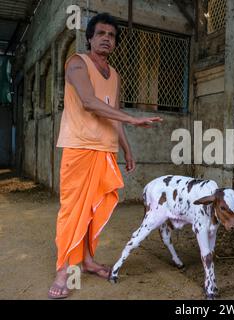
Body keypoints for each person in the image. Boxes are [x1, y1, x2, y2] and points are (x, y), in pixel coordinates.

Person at [47, 12, 162, 299]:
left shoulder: (115, 75)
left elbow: (112, 116)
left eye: (111, 36)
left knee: (93, 211)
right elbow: (89, 102)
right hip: (80, 148)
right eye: (101, 34)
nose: (106, 39)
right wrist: (133, 119)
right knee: (72, 211)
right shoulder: (77, 63)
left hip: (106, 151)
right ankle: (64, 269)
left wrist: (127, 147)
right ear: (90, 37)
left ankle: (86, 260)